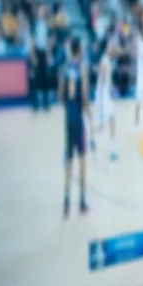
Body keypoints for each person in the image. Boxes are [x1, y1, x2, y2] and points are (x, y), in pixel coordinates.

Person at [59, 36, 92, 218]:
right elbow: (85, 95)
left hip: (68, 117)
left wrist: (68, 107)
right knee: (82, 160)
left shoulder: (65, 68)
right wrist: (90, 115)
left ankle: (66, 201)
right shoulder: (83, 67)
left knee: (69, 159)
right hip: (78, 117)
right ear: (79, 50)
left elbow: (61, 94)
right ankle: (82, 201)